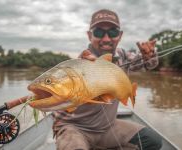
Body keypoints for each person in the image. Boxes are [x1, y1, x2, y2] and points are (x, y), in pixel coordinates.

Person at [52, 9, 162, 150]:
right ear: (89, 35)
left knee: (152, 141)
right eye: (98, 32)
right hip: (74, 128)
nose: (106, 39)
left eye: (112, 33)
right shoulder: (81, 62)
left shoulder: (122, 56)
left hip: (106, 127)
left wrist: (150, 56)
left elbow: (146, 64)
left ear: (120, 36)